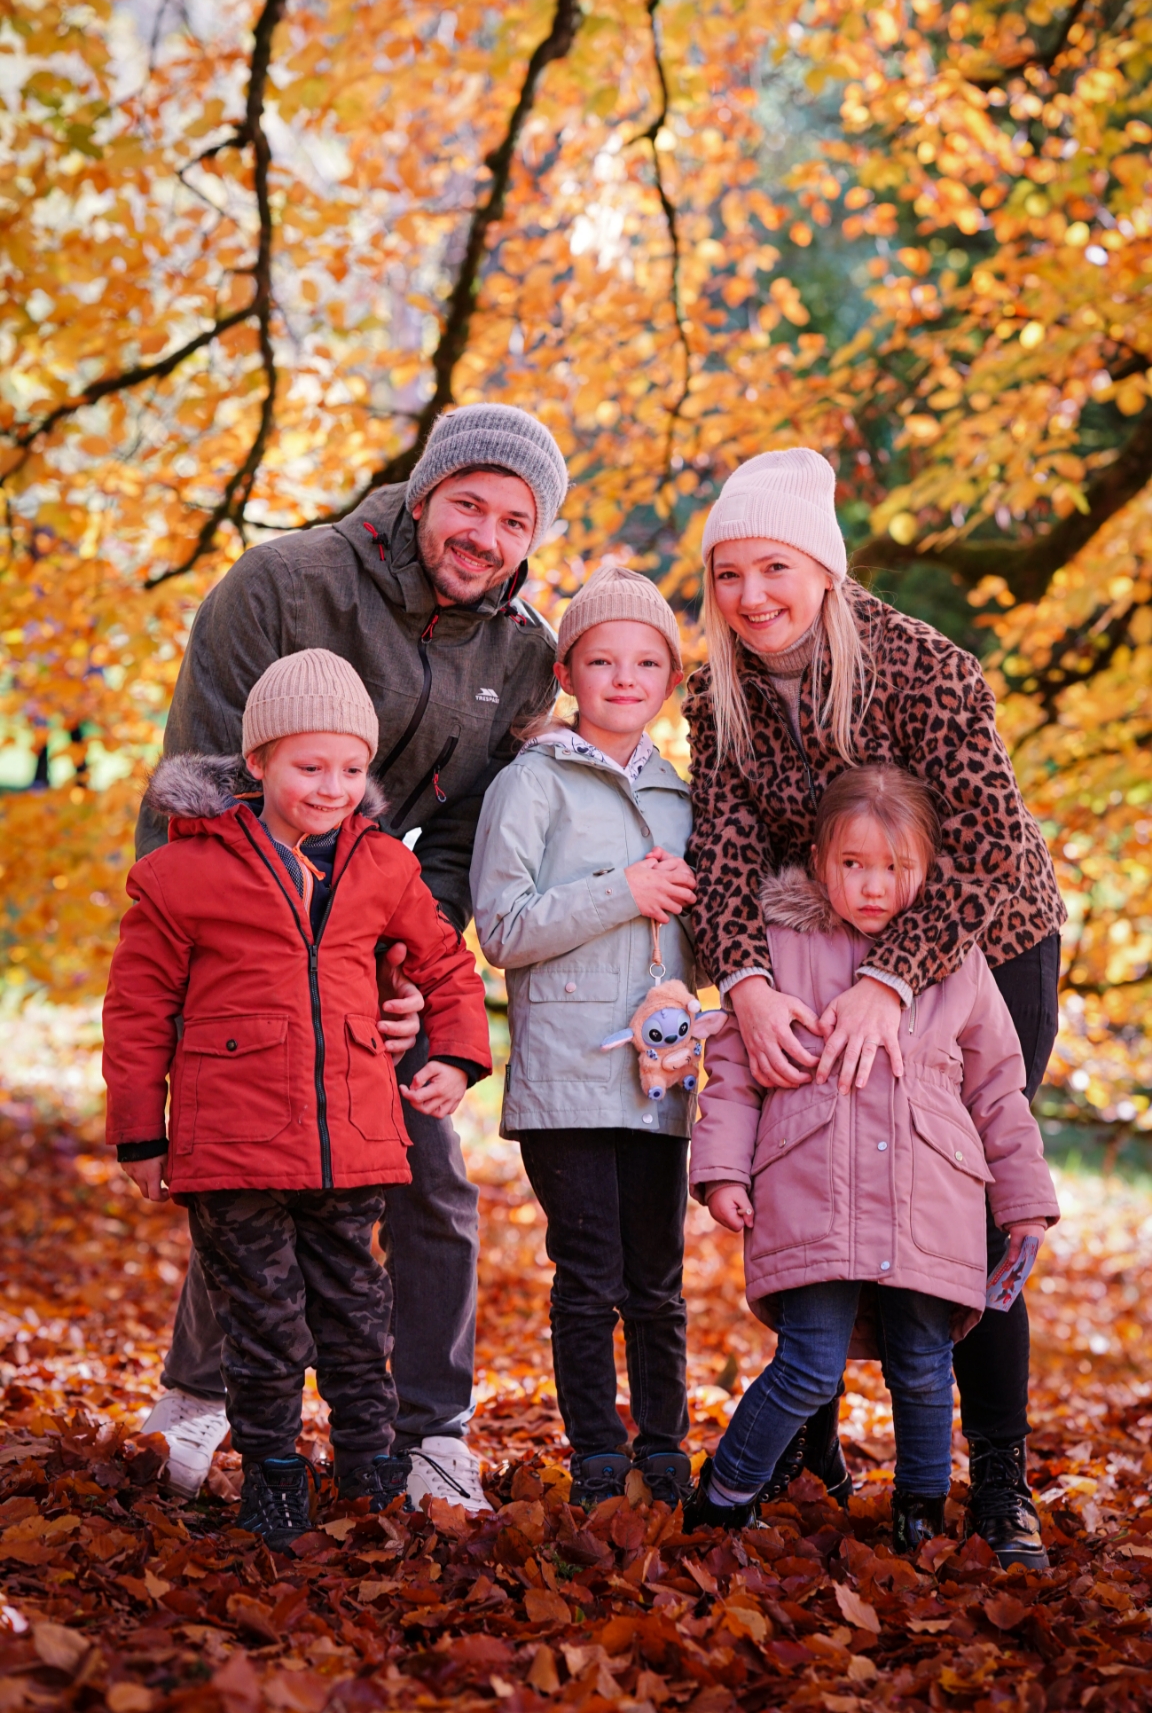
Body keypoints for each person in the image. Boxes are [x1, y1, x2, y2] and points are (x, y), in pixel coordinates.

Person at [134, 403, 567, 1511]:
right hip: (239, 936)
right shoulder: (285, 584)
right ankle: (196, 1395)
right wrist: (266, 971)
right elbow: (198, 782)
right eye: (467, 500)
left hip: (378, 945)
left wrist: (403, 975)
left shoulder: (522, 651)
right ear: (422, 494)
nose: (485, 531)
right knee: (252, 1172)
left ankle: (429, 1431)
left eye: (515, 518)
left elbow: (470, 828)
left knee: (430, 1177)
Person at [685, 447, 1067, 1567]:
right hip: (802, 946)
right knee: (809, 1149)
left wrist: (890, 982)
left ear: (825, 570)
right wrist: (746, 982)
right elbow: (722, 840)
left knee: (966, 1196)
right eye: (725, 574)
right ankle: (807, 1442)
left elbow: (989, 843)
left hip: (978, 946)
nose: (750, 596)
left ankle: (997, 1479)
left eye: (773, 568)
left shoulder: (922, 666)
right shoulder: (721, 687)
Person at [103, 651, 492, 1548]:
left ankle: (370, 1468)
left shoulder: (381, 866)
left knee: (358, 1317)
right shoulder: (181, 875)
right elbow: (137, 1010)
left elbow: (444, 964)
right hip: (234, 1148)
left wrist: (461, 1059)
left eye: (351, 770)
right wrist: (139, 1135)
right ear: (258, 765)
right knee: (267, 1326)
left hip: (352, 1140)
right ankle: (273, 1469)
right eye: (309, 767)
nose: (331, 787)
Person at [686, 765, 1058, 1550]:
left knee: (922, 1366)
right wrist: (722, 1171)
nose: (872, 886)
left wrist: (1024, 1202)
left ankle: (918, 1513)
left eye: (895, 868)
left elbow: (999, 1088)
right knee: (809, 1365)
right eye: (853, 864)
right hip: (813, 1195)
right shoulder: (782, 948)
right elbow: (732, 1070)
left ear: (926, 870)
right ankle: (723, 1493)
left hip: (930, 1201)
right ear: (821, 860)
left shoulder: (956, 964)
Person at [470, 566, 699, 1509]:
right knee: (590, 1272)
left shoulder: (685, 799)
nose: (624, 677)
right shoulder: (532, 785)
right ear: (567, 671)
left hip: (664, 1076)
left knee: (659, 1280)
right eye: (602, 660)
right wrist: (623, 893)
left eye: (647, 661)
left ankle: (666, 1448)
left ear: (670, 681)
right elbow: (504, 929)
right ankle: (598, 1450)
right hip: (568, 1079)